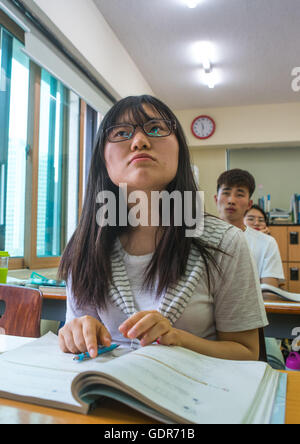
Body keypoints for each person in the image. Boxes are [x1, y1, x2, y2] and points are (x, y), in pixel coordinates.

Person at [58, 95, 267, 362]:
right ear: (103, 158)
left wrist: (178, 338)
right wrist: (75, 332)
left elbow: (247, 352)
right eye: (122, 133)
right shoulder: (84, 245)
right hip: (107, 397)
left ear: (180, 151)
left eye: (156, 129)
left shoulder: (225, 242)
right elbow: (75, 334)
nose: (139, 141)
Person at [214, 169, 284, 288]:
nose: (231, 201)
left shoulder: (266, 243)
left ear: (249, 204)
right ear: (216, 199)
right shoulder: (199, 238)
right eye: (226, 193)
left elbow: (269, 293)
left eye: (240, 194)